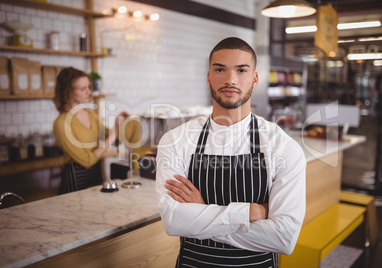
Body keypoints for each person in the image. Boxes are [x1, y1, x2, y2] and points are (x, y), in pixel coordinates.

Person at [155, 37, 306, 267]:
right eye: (220, 69)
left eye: (241, 70)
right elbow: (174, 222)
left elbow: (283, 238)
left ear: (255, 79)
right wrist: (248, 213)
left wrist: (201, 213)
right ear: (208, 77)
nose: (230, 79)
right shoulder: (175, 141)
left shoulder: (282, 146)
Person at [53, 67, 128, 194]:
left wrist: (118, 124)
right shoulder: (61, 123)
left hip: (96, 175)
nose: (88, 92)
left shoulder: (91, 114)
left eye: (89, 87)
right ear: (67, 92)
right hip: (75, 180)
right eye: (82, 89)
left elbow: (112, 139)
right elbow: (87, 161)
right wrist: (112, 136)